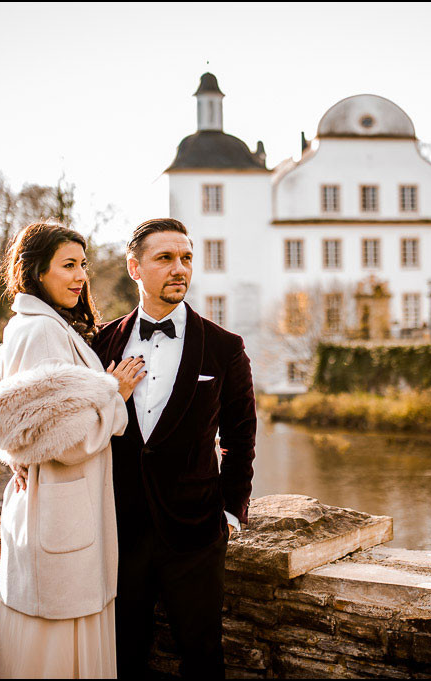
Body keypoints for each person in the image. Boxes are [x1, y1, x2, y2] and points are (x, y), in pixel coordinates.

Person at [0, 220, 147, 678]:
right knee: (58, 654)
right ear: (36, 272)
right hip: (62, 519)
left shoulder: (35, 325)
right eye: (68, 266)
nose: (81, 277)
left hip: (60, 514)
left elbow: (20, 422)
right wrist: (113, 392)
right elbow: (60, 440)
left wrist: (17, 454)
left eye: (83, 265)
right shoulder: (41, 331)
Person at [91, 218, 256, 678]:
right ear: (135, 267)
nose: (179, 268)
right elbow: (77, 420)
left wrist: (227, 512)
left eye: (186, 258)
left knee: (204, 658)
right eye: (164, 258)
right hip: (120, 530)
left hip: (196, 535)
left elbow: (242, 438)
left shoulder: (224, 347)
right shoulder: (100, 343)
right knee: (124, 656)